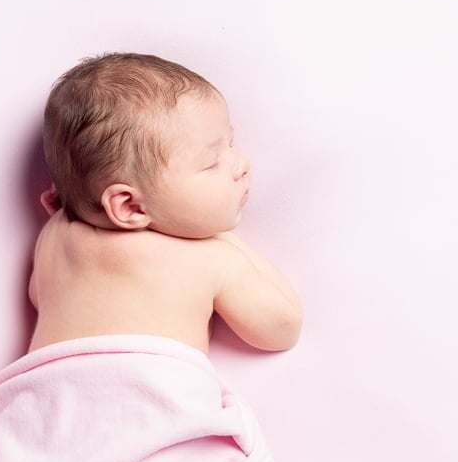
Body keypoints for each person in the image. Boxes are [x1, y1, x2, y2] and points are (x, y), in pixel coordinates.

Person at [29, 52, 302, 356]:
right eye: (212, 162)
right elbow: (282, 329)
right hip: (151, 393)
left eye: (231, 144)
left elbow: (38, 297)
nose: (241, 165)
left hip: (36, 393)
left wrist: (71, 204)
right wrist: (228, 243)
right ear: (130, 207)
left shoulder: (55, 234)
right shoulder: (210, 257)